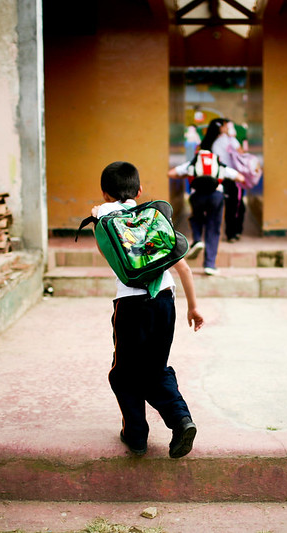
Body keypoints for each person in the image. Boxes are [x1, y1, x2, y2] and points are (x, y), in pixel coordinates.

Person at [91, 161, 204, 459]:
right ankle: (181, 420)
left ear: (104, 194)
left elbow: (104, 243)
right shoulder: (154, 222)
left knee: (123, 374)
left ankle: (136, 436)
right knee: (156, 368)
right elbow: (184, 268)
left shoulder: (104, 218)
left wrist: (97, 215)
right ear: (140, 191)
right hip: (165, 300)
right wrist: (193, 307)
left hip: (130, 305)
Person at [168, 118, 245, 276]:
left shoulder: (193, 162)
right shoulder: (219, 163)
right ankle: (209, 264)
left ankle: (197, 239)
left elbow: (172, 173)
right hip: (216, 195)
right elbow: (240, 178)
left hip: (197, 196)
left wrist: (191, 175)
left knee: (195, 218)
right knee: (213, 228)